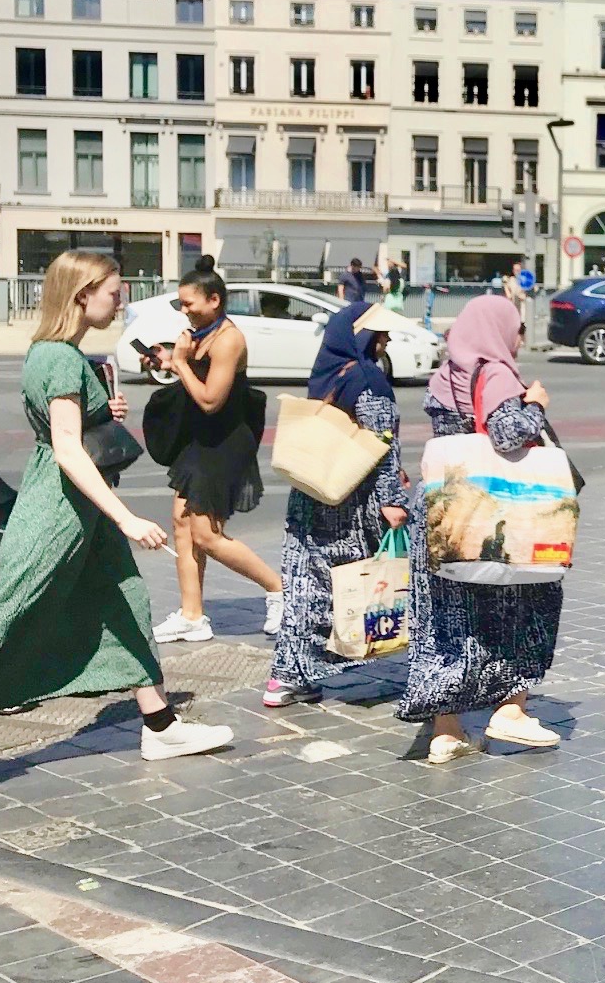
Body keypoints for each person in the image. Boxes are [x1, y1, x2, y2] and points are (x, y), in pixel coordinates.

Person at [0, 252, 232, 791]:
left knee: (123, 603)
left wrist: (105, 413)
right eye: (113, 292)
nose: (119, 300)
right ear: (82, 294)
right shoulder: (58, 358)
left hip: (79, 511)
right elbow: (68, 451)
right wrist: (126, 517)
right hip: (59, 510)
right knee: (9, 616)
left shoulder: (62, 355)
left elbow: (72, 430)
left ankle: (160, 724)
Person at [398, 296, 563, 763]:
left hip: (443, 516)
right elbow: (506, 434)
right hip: (492, 518)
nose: (519, 338)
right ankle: (511, 710)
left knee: (446, 621)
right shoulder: (496, 373)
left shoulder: (445, 374)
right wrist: (535, 404)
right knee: (523, 605)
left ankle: (445, 731)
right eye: (517, 328)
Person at [265, 303, 409, 708]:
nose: (387, 341)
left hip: (312, 493)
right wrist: (393, 501)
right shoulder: (368, 379)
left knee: (305, 586)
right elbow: (382, 447)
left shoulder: (329, 371)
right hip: (351, 502)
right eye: (380, 334)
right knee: (348, 583)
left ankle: (288, 676)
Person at [147, 257, 285, 642]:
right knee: (181, 523)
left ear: (214, 300)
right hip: (201, 438)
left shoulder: (229, 339)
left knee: (206, 533)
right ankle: (192, 616)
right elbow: (193, 380)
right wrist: (172, 361)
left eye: (189, 303)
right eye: (180, 304)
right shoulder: (200, 333)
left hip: (225, 441)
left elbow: (210, 399)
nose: (183, 310)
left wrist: (180, 363)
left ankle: (278, 589)